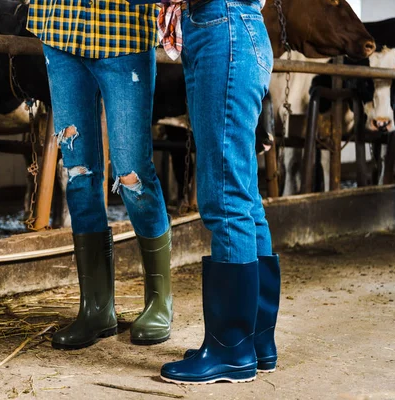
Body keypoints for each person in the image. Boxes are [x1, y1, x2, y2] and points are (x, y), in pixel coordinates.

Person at [26, 0, 173, 349]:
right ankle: (95, 308)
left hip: (122, 29)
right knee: (79, 175)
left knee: (132, 172)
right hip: (60, 25)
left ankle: (159, 301)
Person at [156, 0, 282, 384]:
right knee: (242, 196)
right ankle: (255, 340)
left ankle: (230, 348)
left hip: (221, 26)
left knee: (225, 196)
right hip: (230, 27)